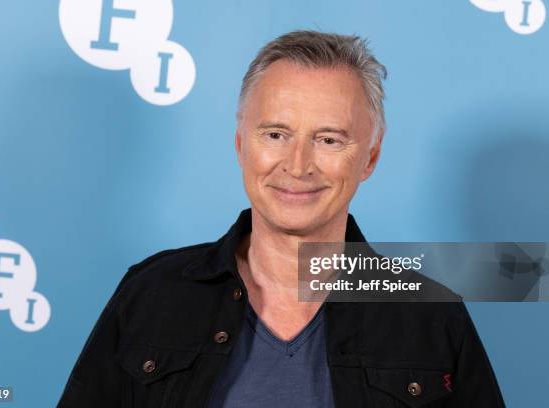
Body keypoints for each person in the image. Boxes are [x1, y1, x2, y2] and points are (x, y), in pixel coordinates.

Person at [57, 30, 505, 407]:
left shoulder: (430, 315)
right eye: (275, 134)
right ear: (240, 144)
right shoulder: (151, 294)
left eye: (328, 140)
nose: (297, 165)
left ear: (370, 157)